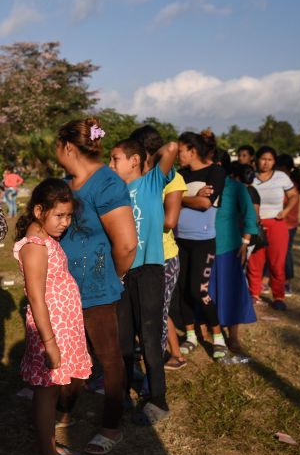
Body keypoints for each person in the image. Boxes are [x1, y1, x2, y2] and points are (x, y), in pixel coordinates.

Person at [53, 118, 137, 455]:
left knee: (108, 356)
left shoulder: (107, 184)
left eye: (57, 147)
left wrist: (110, 278)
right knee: (68, 356)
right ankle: (63, 412)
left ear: (68, 147)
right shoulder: (66, 183)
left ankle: (111, 426)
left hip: (97, 288)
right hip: (65, 289)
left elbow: (127, 244)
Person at [13, 178, 92, 455]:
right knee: (46, 394)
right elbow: (35, 296)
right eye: (59, 216)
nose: (65, 222)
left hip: (60, 327)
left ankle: (47, 447)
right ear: (38, 211)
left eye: (69, 216)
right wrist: (49, 342)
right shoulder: (35, 246)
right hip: (51, 331)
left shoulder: (45, 240)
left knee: (51, 390)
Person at [110, 136, 178, 425]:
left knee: (150, 337)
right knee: (123, 340)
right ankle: (123, 395)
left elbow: (172, 147)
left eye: (115, 159)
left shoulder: (152, 182)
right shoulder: (114, 193)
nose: (110, 164)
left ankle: (158, 399)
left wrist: (147, 155)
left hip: (149, 270)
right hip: (120, 274)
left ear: (134, 161)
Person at [195, 150, 259, 356]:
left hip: (227, 248)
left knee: (231, 292)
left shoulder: (237, 188)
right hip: (201, 246)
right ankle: (203, 331)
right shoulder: (198, 186)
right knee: (204, 291)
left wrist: (246, 241)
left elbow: (250, 216)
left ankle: (233, 336)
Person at [174, 130, 229, 359]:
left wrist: (181, 197)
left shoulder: (216, 172)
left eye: (181, 151)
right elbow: (171, 199)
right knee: (183, 291)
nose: (178, 156)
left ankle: (217, 336)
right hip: (179, 240)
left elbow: (205, 203)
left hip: (203, 241)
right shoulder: (179, 174)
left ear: (192, 150)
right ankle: (190, 336)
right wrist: (190, 196)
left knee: (199, 291)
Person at [246, 146, 299, 311]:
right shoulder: (250, 178)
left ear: (274, 161)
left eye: (270, 160)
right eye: (263, 159)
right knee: (255, 261)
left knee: (277, 263)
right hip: (256, 224)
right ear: (256, 160)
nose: (266, 163)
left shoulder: (281, 177)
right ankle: (253, 294)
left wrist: (285, 211)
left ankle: (278, 296)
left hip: (277, 224)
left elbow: (294, 195)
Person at [275, 154, 300, 295]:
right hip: (278, 222)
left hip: (288, 224)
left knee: (286, 252)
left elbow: (285, 202)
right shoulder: (280, 180)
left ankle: (287, 282)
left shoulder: (290, 183)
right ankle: (267, 279)